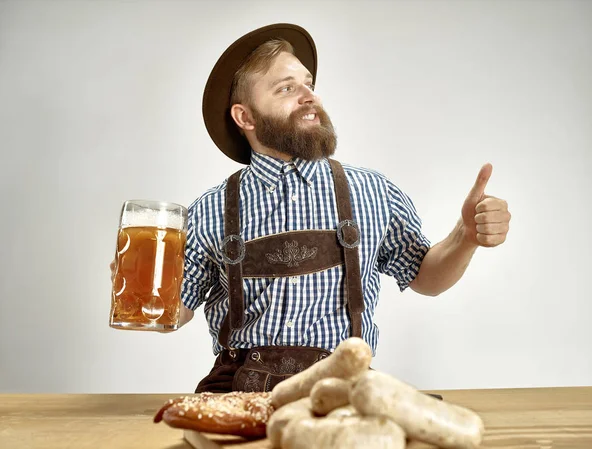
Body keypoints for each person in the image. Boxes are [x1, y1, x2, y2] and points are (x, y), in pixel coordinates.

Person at [115, 24, 511, 393]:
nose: (309, 97)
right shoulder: (210, 209)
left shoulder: (372, 191)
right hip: (236, 390)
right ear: (245, 116)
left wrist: (465, 239)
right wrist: (137, 289)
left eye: (309, 84)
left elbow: (425, 278)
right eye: (286, 88)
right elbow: (171, 313)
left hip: (342, 389)